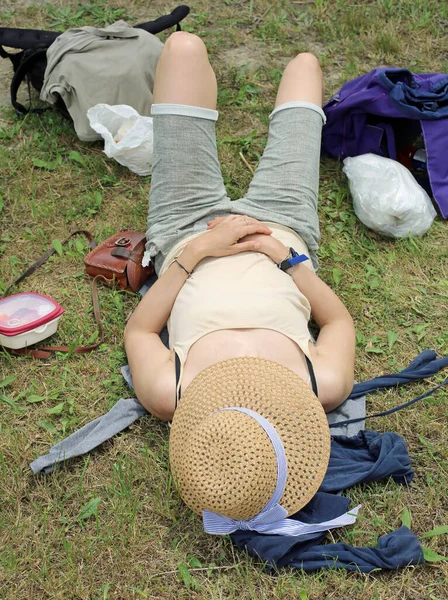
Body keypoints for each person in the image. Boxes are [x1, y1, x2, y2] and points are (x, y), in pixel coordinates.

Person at [124, 31, 356, 423]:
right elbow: (338, 321)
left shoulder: (171, 395)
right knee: (305, 65)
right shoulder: (323, 385)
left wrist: (202, 248)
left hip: (188, 230)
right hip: (282, 229)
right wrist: (287, 258)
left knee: (183, 48)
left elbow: (139, 332)